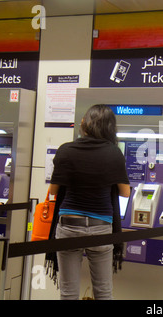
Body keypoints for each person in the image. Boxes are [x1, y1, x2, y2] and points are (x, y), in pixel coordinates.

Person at [47, 104, 130, 300]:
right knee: (103, 291)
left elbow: (53, 191)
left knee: (68, 292)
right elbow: (125, 193)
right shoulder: (113, 152)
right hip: (100, 227)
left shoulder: (66, 150)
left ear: (85, 124)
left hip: (68, 226)